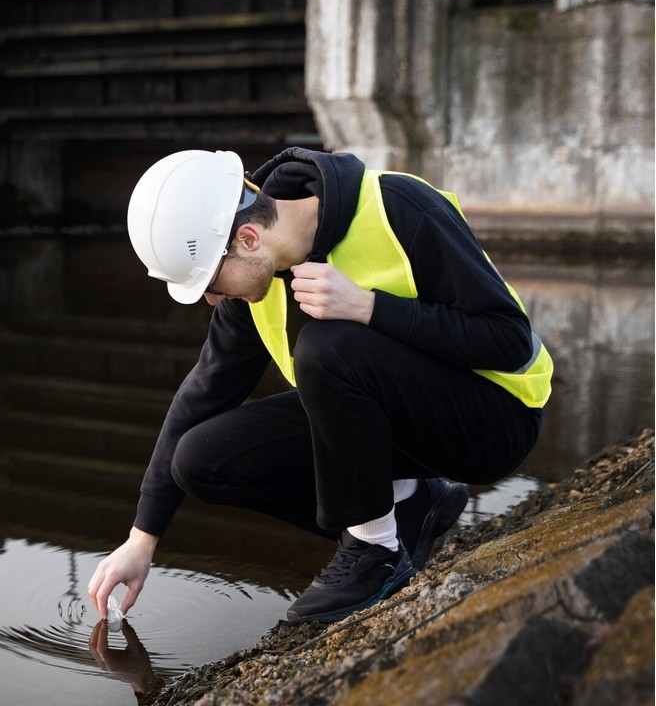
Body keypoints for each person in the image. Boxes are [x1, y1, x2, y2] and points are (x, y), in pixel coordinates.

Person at [87, 148, 552, 624]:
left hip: (494, 421)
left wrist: (370, 307)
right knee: (201, 460)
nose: (210, 298)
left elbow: (509, 340)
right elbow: (203, 393)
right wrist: (142, 538)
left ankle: (375, 554)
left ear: (247, 238)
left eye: (209, 281)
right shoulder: (256, 280)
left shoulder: (400, 206)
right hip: (407, 433)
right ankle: (411, 507)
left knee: (327, 346)